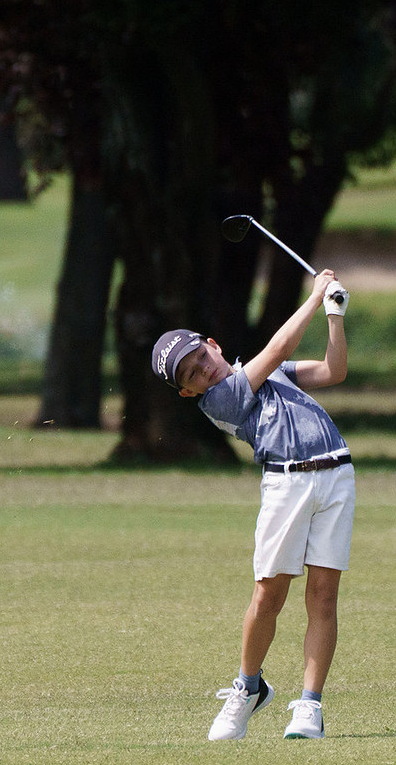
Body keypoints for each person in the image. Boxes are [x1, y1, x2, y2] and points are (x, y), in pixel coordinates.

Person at [150, 269, 355, 741]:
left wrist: (334, 315)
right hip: (286, 484)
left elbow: (334, 371)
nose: (204, 369)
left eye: (201, 357)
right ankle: (248, 687)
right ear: (188, 392)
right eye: (191, 374)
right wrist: (313, 297)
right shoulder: (219, 400)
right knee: (268, 596)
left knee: (323, 596)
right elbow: (278, 349)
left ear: (214, 345)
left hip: (337, 475)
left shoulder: (265, 372)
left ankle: (310, 706)